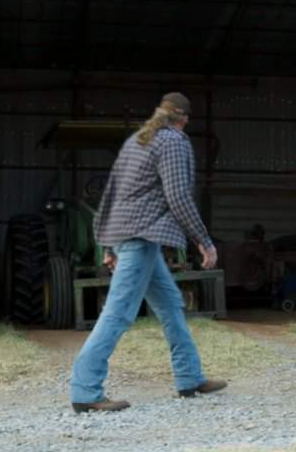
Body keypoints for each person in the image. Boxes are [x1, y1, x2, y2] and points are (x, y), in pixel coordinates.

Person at [68, 92, 227, 413]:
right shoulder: (173, 142)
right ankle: (85, 390)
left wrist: (107, 244)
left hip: (133, 238)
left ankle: (189, 377)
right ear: (184, 119)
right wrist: (203, 240)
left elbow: (111, 193)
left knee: (170, 305)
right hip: (141, 238)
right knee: (118, 312)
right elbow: (178, 195)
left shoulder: (136, 141)